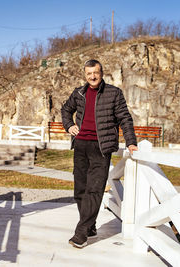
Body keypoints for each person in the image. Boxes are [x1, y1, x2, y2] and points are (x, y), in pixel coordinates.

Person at [61, 59, 138, 248]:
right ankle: (90, 226)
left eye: (95, 73)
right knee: (80, 191)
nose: (92, 77)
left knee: (94, 189)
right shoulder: (79, 93)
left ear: (101, 73)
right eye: (89, 74)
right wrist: (69, 125)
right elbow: (65, 110)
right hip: (80, 146)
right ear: (85, 75)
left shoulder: (114, 93)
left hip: (101, 148)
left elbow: (124, 118)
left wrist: (131, 142)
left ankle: (81, 233)